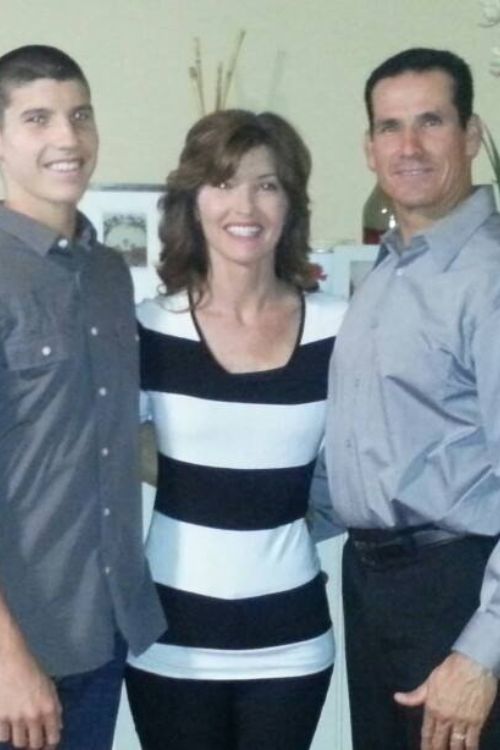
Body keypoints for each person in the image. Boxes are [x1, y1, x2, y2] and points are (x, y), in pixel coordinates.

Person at [125, 109, 346, 750]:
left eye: (266, 184)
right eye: (223, 183)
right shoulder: (148, 326)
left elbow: (368, 463)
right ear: (193, 201)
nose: (244, 204)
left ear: (290, 204)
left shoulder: (342, 327)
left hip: (291, 645)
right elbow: (100, 458)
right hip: (170, 641)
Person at [322, 47, 500, 750]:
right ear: (369, 149)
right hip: (372, 588)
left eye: (430, 121)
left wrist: (482, 653)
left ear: (472, 134)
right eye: (390, 127)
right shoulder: (387, 273)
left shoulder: (487, 281)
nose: (409, 146)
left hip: (459, 590)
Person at [0, 45, 165, 750]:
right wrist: (7, 659)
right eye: (37, 118)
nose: (67, 137)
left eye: (80, 115)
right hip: (17, 653)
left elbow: (108, 439)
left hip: (102, 636)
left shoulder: (108, 274)